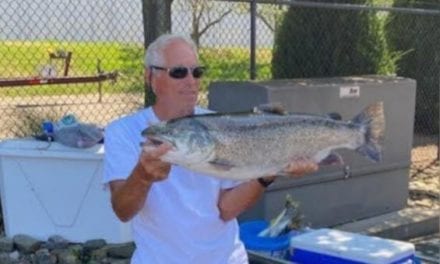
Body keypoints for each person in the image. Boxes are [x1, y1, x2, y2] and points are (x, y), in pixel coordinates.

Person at [103, 33, 318, 264]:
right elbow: (123, 211)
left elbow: (225, 210)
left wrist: (269, 172)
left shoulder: (218, 124)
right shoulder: (124, 132)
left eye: (196, 72)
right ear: (151, 77)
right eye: (178, 72)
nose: (191, 80)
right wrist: (142, 177)